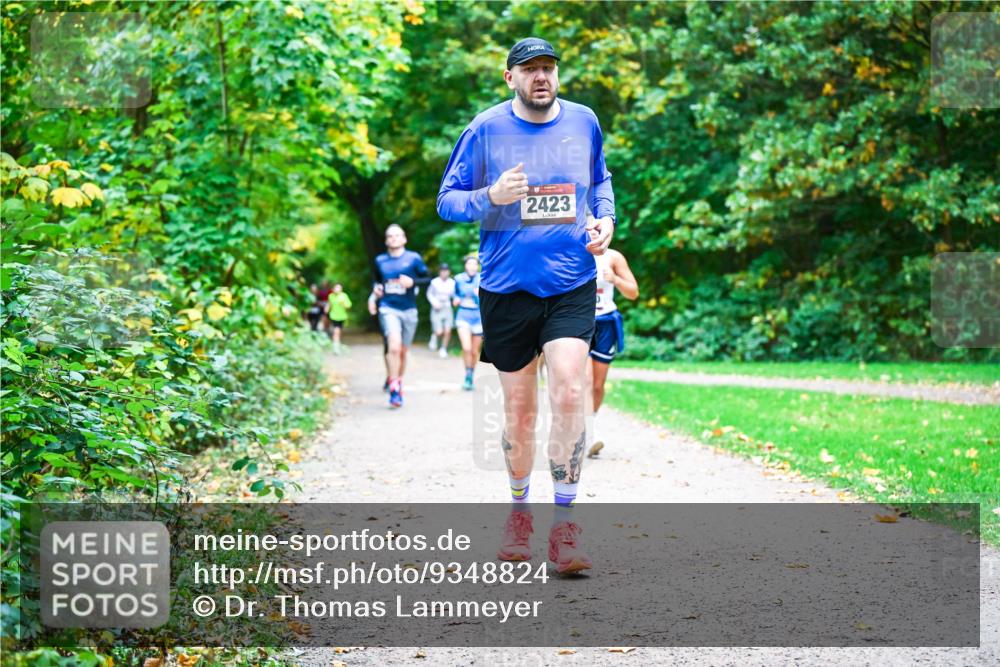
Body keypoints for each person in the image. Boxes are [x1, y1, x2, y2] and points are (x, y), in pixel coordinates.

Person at [437, 37, 615, 573]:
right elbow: (447, 201)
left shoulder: (584, 121)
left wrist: (605, 221)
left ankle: (565, 526)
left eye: (549, 68)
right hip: (506, 288)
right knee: (520, 411)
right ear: (509, 77)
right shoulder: (485, 128)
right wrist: (490, 196)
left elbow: (601, 180)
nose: (542, 77)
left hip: (571, 283)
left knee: (567, 389)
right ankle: (520, 513)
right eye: (530, 69)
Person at [372, 224, 430, 408]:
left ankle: (397, 380)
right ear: (386, 240)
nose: (394, 238)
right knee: (394, 347)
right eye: (390, 236)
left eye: (397, 235)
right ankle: (395, 389)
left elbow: (428, 279)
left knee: (403, 351)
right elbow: (376, 280)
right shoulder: (380, 260)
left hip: (409, 310)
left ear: (404, 238)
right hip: (388, 308)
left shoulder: (414, 258)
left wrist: (413, 282)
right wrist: (376, 288)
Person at [587, 247, 638, 457]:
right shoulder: (572, 249)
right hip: (579, 321)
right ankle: (589, 432)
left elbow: (633, 292)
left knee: (597, 386)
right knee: (585, 379)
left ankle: (590, 423)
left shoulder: (613, 257)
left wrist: (615, 278)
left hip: (606, 322)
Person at [453, 255, 483, 390]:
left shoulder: (482, 279)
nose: (472, 267)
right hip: (463, 315)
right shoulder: (458, 279)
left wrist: (480, 295)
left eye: (474, 264)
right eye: (469, 264)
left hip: (478, 317)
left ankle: (471, 375)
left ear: (477, 267)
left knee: (475, 351)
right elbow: (456, 294)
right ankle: (467, 374)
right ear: (465, 266)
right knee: (466, 348)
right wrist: (456, 299)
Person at [426, 263, 456, 358]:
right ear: (440, 272)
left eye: (446, 271)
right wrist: (434, 303)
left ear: (449, 272)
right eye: (442, 271)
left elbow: (454, 295)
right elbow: (429, 294)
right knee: (439, 331)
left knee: (448, 330)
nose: (444, 273)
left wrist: (455, 299)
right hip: (437, 307)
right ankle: (434, 336)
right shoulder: (434, 282)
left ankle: (443, 349)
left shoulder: (452, 282)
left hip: (447, 306)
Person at [326, 283, 353, 355]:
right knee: (336, 331)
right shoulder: (331, 296)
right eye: (336, 288)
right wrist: (326, 309)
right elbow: (329, 305)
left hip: (342, 316)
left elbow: (349, 306)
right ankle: (336, 347)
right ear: (333, 289)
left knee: (338, 331)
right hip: (333, 316)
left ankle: (337, 344)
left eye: (339, 288)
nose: (337, 290)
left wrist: (343, 303)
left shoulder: (344, 296)